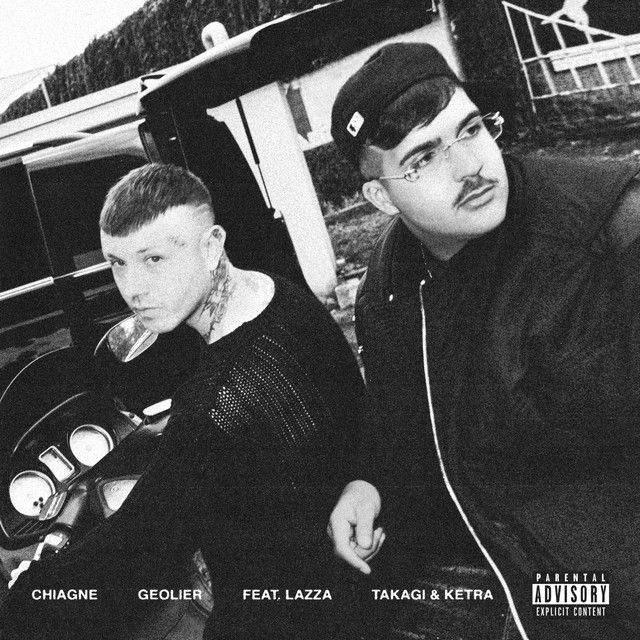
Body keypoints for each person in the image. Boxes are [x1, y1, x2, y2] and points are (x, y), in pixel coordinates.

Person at [327, 42, 640, 640]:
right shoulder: (390, 289)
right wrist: (370, 482)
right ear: (381, 197)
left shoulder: (612, 232)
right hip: (528, 586)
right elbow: (405, 420)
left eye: (470, 129)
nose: (470, 167)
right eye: (423, 158)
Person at [1, 163, 369, 639]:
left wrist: (30, 592)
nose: (133, 288)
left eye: (154, 259)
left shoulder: (215, 407)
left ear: (212, 246)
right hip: (332, 582)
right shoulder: (280, 296)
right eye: (117, 262)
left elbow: (133, 552)